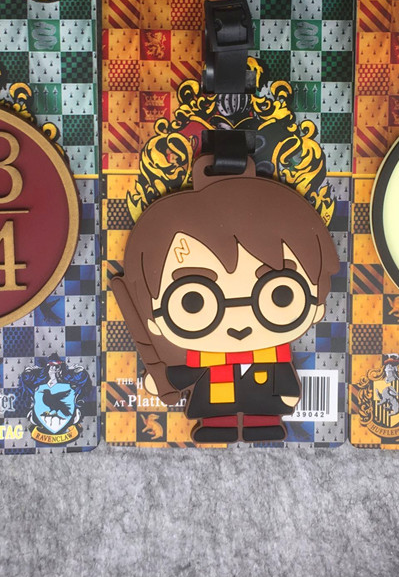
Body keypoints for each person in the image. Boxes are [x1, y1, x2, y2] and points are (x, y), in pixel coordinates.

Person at [111, 156, 339, 443]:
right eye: (193, 301)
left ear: (316, 306)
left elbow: (281, 375)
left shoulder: (273, 357)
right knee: (216, 410)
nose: (238, 323)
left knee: (263, 408)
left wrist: (288, 391)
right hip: (212, 401)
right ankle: (218, 425)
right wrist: (164, 380)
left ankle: (262, 422)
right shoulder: (200, 357)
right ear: (153, 320)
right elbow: (184, 375)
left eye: (280, 294)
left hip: (265, 397)